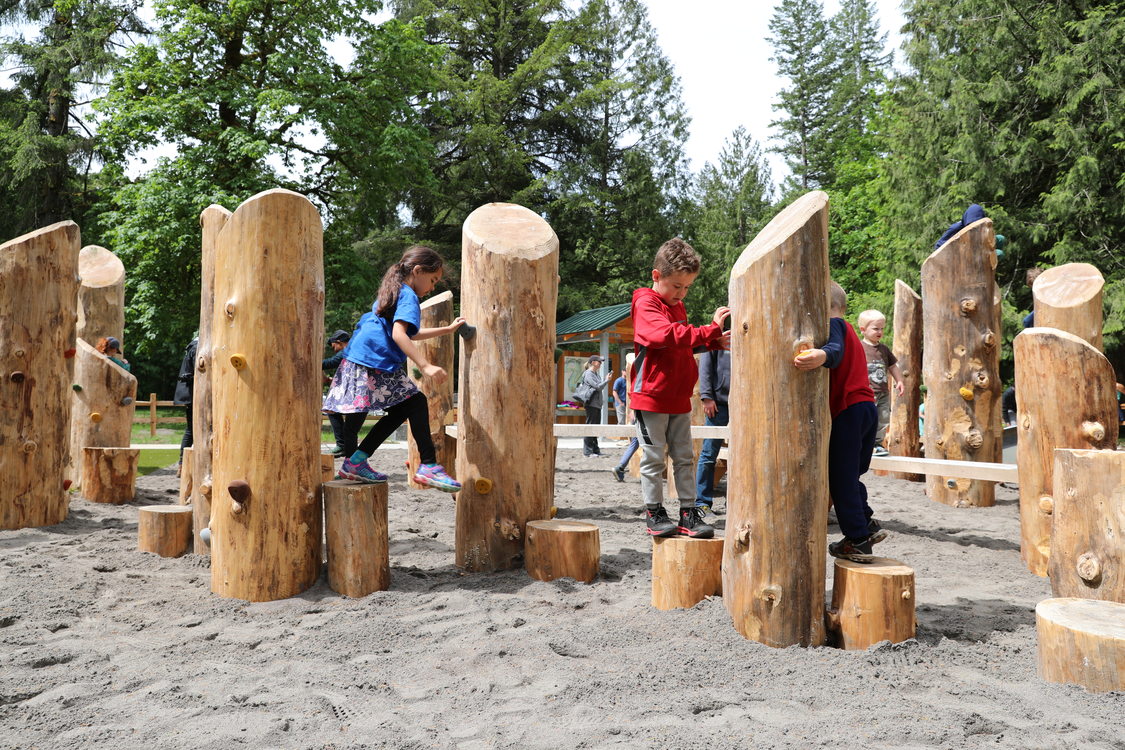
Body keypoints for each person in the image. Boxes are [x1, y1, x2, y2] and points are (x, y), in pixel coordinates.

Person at [322, 245, 465, 491]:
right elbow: (400, 334)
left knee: (400, 408)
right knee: (415, 402)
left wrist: (447, 329)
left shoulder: (392, 291)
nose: (432, 288)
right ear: (418, 271)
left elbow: (410, 331)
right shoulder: (408, 294)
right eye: (432, 280)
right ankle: (428, 465)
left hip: (360, 360)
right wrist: (426, 365)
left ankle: (354, 461)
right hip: (373, 362)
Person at [630, 238, 730, 538]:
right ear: (656, 276)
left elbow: (679, 343)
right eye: (676, 286)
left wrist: (712, 341)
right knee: (653, 458)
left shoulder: (677, 304)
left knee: (685, 457)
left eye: (687, 287)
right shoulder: (645, 302)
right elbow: (662, 335)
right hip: (651, 397)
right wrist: (709, 329)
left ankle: (689, 512)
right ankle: (654, 512)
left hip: (679, 397)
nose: (681, 293)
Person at [793, 281, 886, 562]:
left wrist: (821, 355)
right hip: (866, 408)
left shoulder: (836, 324)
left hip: (849, 410)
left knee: (840, 478)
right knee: (851, 475)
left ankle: (857, 538)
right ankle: (866, 522)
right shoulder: (852, 334)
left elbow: (833, 349)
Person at [856, 310, 905, 456]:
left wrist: (900, 380)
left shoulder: (883, 349)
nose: (880, 331)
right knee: (866, 420)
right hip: (866, 393)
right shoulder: (859, 347)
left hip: (883, 392)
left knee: (883, 418)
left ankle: (876, 444)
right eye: (876, 328)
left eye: (882, 328)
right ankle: (862, 444)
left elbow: (892, 366)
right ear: (863, 330)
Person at [694, 348, 729, 515]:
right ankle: (702, 503)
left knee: (744, 457)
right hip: (719, 404)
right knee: (708, 454)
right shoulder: (717, 333)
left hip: (746, 401)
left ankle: (734, 502)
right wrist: (707, 396)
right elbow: (705, 367)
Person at [322, 329, 362, 458]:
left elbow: (331, 362)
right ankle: (346, 449)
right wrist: (329, 380)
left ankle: (342, 445)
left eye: (334, 346)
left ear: (339, 342)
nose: (334, 350)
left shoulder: (347, 350)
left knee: (332, 411)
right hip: (355, 389)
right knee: (349, 426)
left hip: (355, 391)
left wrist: (311, 361)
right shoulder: (353, 351)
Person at [611, 354, 638, 482]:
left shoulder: (633, 380)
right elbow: (615, 391)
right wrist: (621, 403)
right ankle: (621, 467)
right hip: (640, 412)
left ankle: (620, 467)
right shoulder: (623, 380)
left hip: (636, 410)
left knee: (635, 443)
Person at [578, 355, 612, 457]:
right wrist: (607, 380)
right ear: (593, 362)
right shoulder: (588, 373)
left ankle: (595, 450)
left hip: (596, 404)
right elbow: (598, 387)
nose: (601, 364)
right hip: (591, 404)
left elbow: (599, 386)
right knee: (590, 427)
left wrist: (605, 380)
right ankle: (588, 452)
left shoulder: (595, 374)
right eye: (599, 362)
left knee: (595, 428)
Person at [173, 336, 197, 475]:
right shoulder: (196, 348)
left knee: (191, 430)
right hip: (193, 394)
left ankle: (183, 464)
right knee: (191, 431)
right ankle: (182, 464)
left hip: (191, 393)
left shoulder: (193, 347)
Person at [612, 367, 628, 437]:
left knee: (627, 421)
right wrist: (620, 402)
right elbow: (614, 392)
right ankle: (618, 436)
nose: (627, 373)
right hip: (621, 403)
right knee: (621, 421)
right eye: (626, 371)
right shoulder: (619, 380)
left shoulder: (629, 381)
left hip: (628, 404)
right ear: (622, 371)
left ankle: (624, 437)